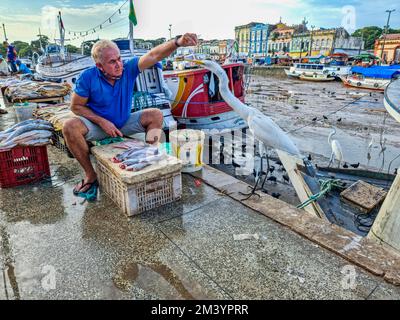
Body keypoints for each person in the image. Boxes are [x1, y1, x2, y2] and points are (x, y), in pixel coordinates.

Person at [63, 34, 198, 199]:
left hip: (123, 122)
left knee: (155, 114)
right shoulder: (88, 77)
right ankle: (91, 175)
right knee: (69, 127)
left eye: (119, 59)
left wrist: (177, 43)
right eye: (112, 62)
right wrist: (102, 121)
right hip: (98, 126)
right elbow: (75, 106)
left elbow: (153, 55)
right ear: (99, 66)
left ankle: (150, 156)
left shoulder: (128, 69)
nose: (119, 64)